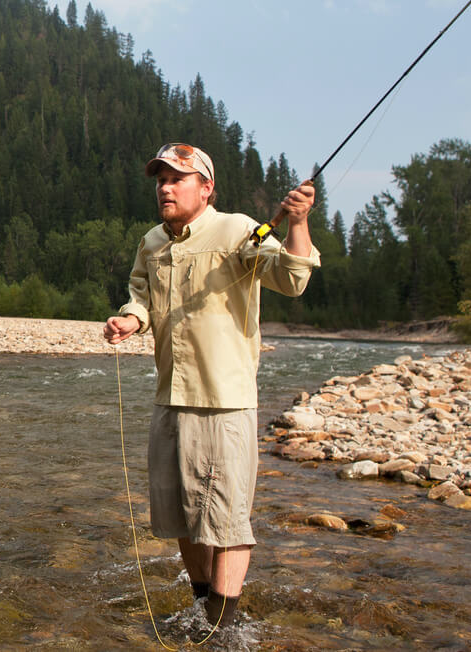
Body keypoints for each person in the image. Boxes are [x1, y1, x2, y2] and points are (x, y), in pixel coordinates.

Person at [103, 142, 319, 633]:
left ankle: (223, 629)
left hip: (224, 402)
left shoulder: (238, 229)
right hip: (169, 399)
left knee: (225, 522)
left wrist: (298, 223)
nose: (165, 187)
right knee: (182, 519)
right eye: (160, 178)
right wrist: (129, 321)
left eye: (177, 178)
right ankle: (204, 613)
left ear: (206, 187)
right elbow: (141, 295)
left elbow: (292, 278)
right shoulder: (152, 242)